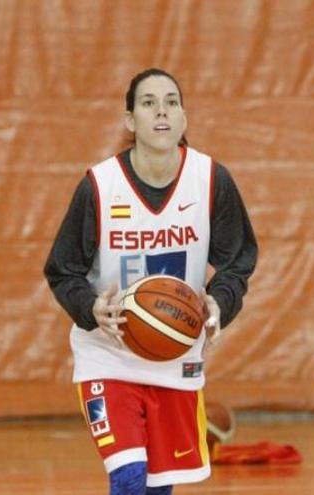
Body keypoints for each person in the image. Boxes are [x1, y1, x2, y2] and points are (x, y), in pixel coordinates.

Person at [44, 68, 257, 494]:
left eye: (172, 102)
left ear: (183, 118)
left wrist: (219, 302)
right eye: (148, 102)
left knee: (158, 488)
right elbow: (62, 268)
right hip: (108, 353)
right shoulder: (99, 186)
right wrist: (91, 307)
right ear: (130, 120)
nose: (162, 110)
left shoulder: (212, 180)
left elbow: (237, 261)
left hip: (176, 354)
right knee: (128, 477)